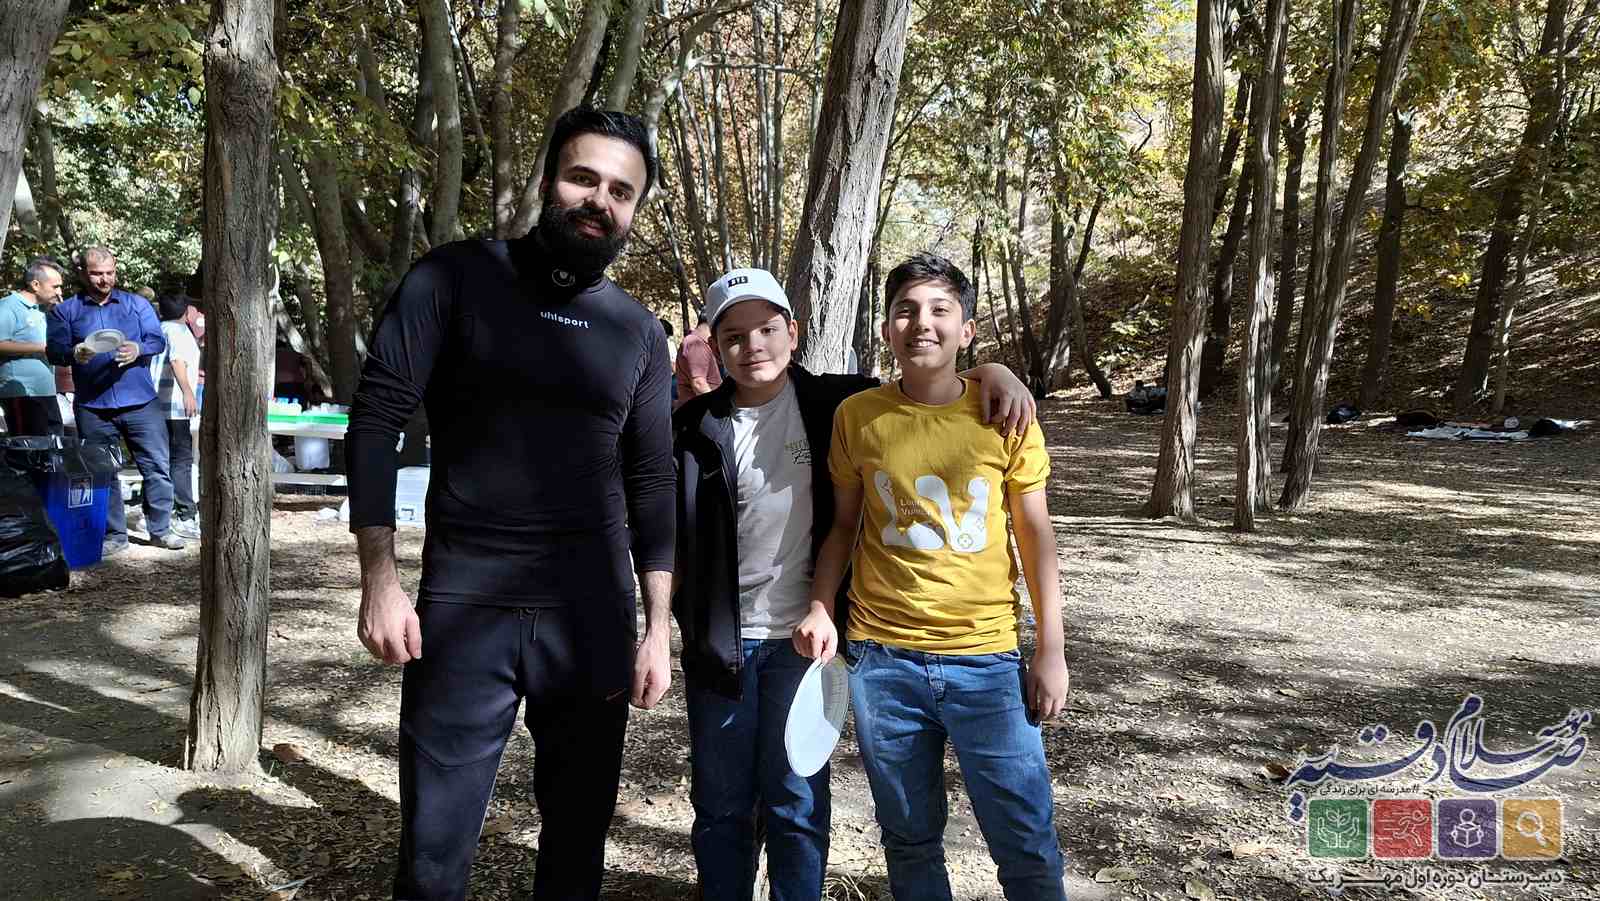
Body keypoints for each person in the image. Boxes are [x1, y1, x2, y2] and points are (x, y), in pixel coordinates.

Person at [346, 106, 674, 901]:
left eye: (621, 191)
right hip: (466, 605)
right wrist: (380, 580)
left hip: (591, 615)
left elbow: (652, 479)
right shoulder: (454, 279)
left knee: (576, 850)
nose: (600, 201)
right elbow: (377, 419)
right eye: (584, 178)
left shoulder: (638, 331)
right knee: (433, 852)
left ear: (634, 209)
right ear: (548, 178)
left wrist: (658, 626)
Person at [672, 267, 1036, 901]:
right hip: (721, 644)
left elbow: (928, 376)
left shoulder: (835, 403)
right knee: (721, 804)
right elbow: (666, 531)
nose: (753, 346)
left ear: (793, 333)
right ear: (716, 345)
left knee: (796, 803)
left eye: (767, 329)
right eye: (733, 336)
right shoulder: (692, 427)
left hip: (805, 643)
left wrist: (994, 371)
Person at [795, 253, 1069, 901]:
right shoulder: (858, 416)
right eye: (906, 310)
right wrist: (820, 605)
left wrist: (1051, 649)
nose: (922, 323)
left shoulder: (1005, 414)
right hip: (883, 664)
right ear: (886, 328)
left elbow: (1036, 536)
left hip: (987, 662)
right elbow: (843, 527)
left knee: (1026, 841)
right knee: (909, 839)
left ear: (967, 330)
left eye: (941, 310)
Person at [46, 247, 183, 553]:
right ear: (83, 274)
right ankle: (114, 535)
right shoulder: (66, 311)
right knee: (102, 472)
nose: (104, 279)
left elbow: (157, 340)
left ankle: (161, 530)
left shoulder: (137, 304)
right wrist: (74, 353)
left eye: (110, 273)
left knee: (157, 467)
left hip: (140, 402)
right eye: (97, 274)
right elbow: (54, 351)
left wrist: (138, 349)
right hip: (93, 406)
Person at [150, 294, 201, 538]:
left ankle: (156, 514)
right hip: (174, 408)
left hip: (152, 407)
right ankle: (185, 516)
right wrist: (188, 392)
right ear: (187, 312)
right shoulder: (179, 332)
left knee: (158, 461)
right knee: (181, 461)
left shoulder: (157, 330)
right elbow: (177, 360)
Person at [0, 257, 67, 436]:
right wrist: (42, 348)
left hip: (46, 390)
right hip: (21, 393)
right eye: (55, 287)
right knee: (28, 447)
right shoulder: (8, 306)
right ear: (35, 285)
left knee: (54, 444)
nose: (60, 292)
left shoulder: (45, 309)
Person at [673, 311, 720, 409]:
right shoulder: (695, 343)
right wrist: (719, 408)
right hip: (699, 412)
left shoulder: (701, 343)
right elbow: (699, 384)